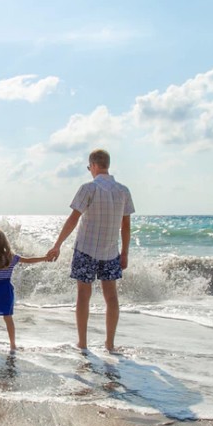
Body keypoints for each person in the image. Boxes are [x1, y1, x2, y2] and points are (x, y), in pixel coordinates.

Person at [46, 149, 134, 352]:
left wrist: (57, 244)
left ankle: (83, 343)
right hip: (111, 252)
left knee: (83, 296)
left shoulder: (89, 188)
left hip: (86, 249)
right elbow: (126, 227)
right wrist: (125, 253)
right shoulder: (123, 190)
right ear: (107, 165)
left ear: (93, 165)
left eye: (89, 167)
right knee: (111, 297)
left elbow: (73, 219)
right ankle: (110, 344)